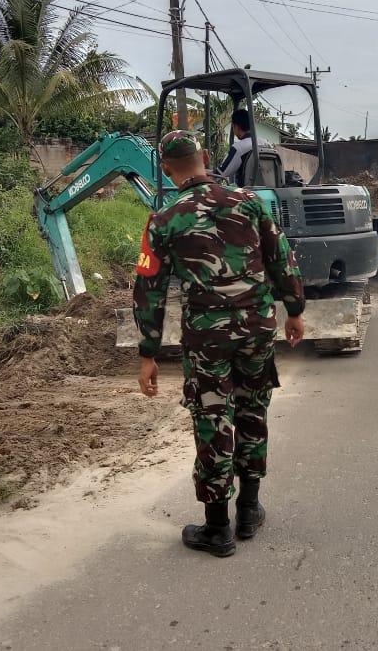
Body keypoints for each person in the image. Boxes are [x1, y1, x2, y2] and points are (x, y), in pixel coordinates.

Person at [133, 130, 306, 558]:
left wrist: (148, 353)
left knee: (213, 419)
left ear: (168, 171)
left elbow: (149, 290)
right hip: (257, 328)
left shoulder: (164, 220)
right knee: (252, 410)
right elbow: (280, 257)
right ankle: (249, 510)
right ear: (207, 157)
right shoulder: (251, 202)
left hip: (207, 337)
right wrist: (295, 310)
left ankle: (218, 529)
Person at [214, 108, 274, 187]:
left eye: (233, 126)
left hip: (246, 193)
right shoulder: (267, 144)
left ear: (236, 126)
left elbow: (221, 173)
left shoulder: (238, 148)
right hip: (267, 189)